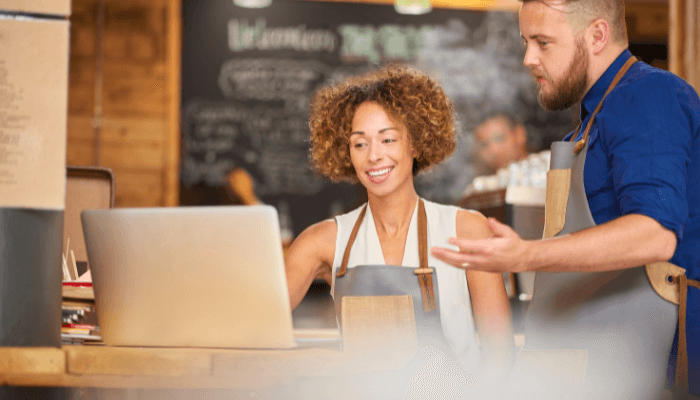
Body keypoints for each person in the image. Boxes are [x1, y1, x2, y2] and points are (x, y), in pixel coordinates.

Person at [432, 0, 700, 397]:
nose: (528, 58)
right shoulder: (590, 121)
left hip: (651, 364)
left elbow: (653, 234)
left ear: (596, 35)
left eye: (542, 42)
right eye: (526, 41)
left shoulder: (646, 95)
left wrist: (524, 255)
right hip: (595, 362)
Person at [284, 65, 514, 393]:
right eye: (359, 144)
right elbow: (257, 326)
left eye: (388, 139)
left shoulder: (467, 231)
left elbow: (499, 358)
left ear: (416, 144)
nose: (374, 156)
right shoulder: (321, 242)